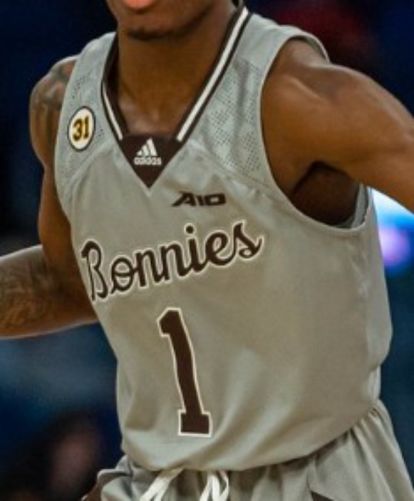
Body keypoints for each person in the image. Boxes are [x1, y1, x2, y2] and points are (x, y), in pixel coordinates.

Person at [2, 0, 414, 499]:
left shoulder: (299, 97)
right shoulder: (63, 104)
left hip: (313, 476)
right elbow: (70, 281)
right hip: (158, 478)